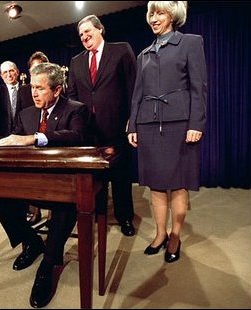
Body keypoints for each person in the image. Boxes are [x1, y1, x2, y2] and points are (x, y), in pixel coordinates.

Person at [0, 62, 89, 308]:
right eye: (32, 87)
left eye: (40, 88)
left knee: (66, 203)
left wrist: (36, 138)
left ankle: (49, 264)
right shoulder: (26, 113)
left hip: (61, 183)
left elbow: (77, 136)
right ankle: (33, 240)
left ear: (57, 90)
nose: (34, 93)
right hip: (28, 182)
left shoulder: (75, 110)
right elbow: (14, 138)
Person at [127, 1, 207, 263]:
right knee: (156, 186)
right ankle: (160, 234)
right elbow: (137, 94)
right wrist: (132, 125)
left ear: (173, 15)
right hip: (149, 125)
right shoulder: (143, 54)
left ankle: (175, 235)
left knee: (178, 184)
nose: (154, 18)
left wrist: (196, 123)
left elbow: (199, 88)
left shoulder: (191, 43)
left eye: (159, 12)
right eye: (151, 13)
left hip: (180, 124)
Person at [67, 15, 137, 236]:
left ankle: (125, 218)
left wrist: (132, 121)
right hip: (88, 132)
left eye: (88, 31)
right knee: (93, 179)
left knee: (121, 177)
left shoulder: (121, 50)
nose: (84, 37)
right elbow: (72, 97)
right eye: (81, 34)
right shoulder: (76, 61)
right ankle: (99, 215)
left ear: (100, 30)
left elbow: (134, 89)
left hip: (117, 128)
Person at [18, 51, 50, 225]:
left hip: (48, 138)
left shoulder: (54, 88)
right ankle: (34, 211)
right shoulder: (24, 91)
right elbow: (21, 118)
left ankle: (54, 215)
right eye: (33, 69)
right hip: (30, 140)